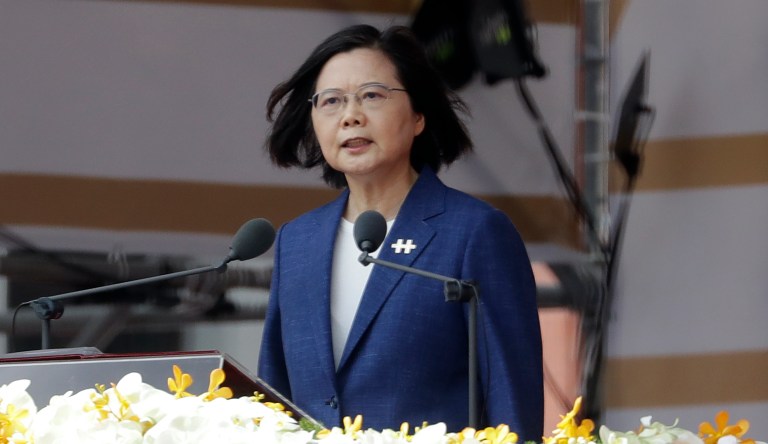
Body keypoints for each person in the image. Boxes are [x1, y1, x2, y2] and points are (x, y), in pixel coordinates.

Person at [257, 24, 543, 440]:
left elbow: (512, 399)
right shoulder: (297, 242)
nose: (350, 115)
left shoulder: (474, 232)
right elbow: (273, 399)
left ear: (419, 116)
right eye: (332, 101)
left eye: (372, 95)